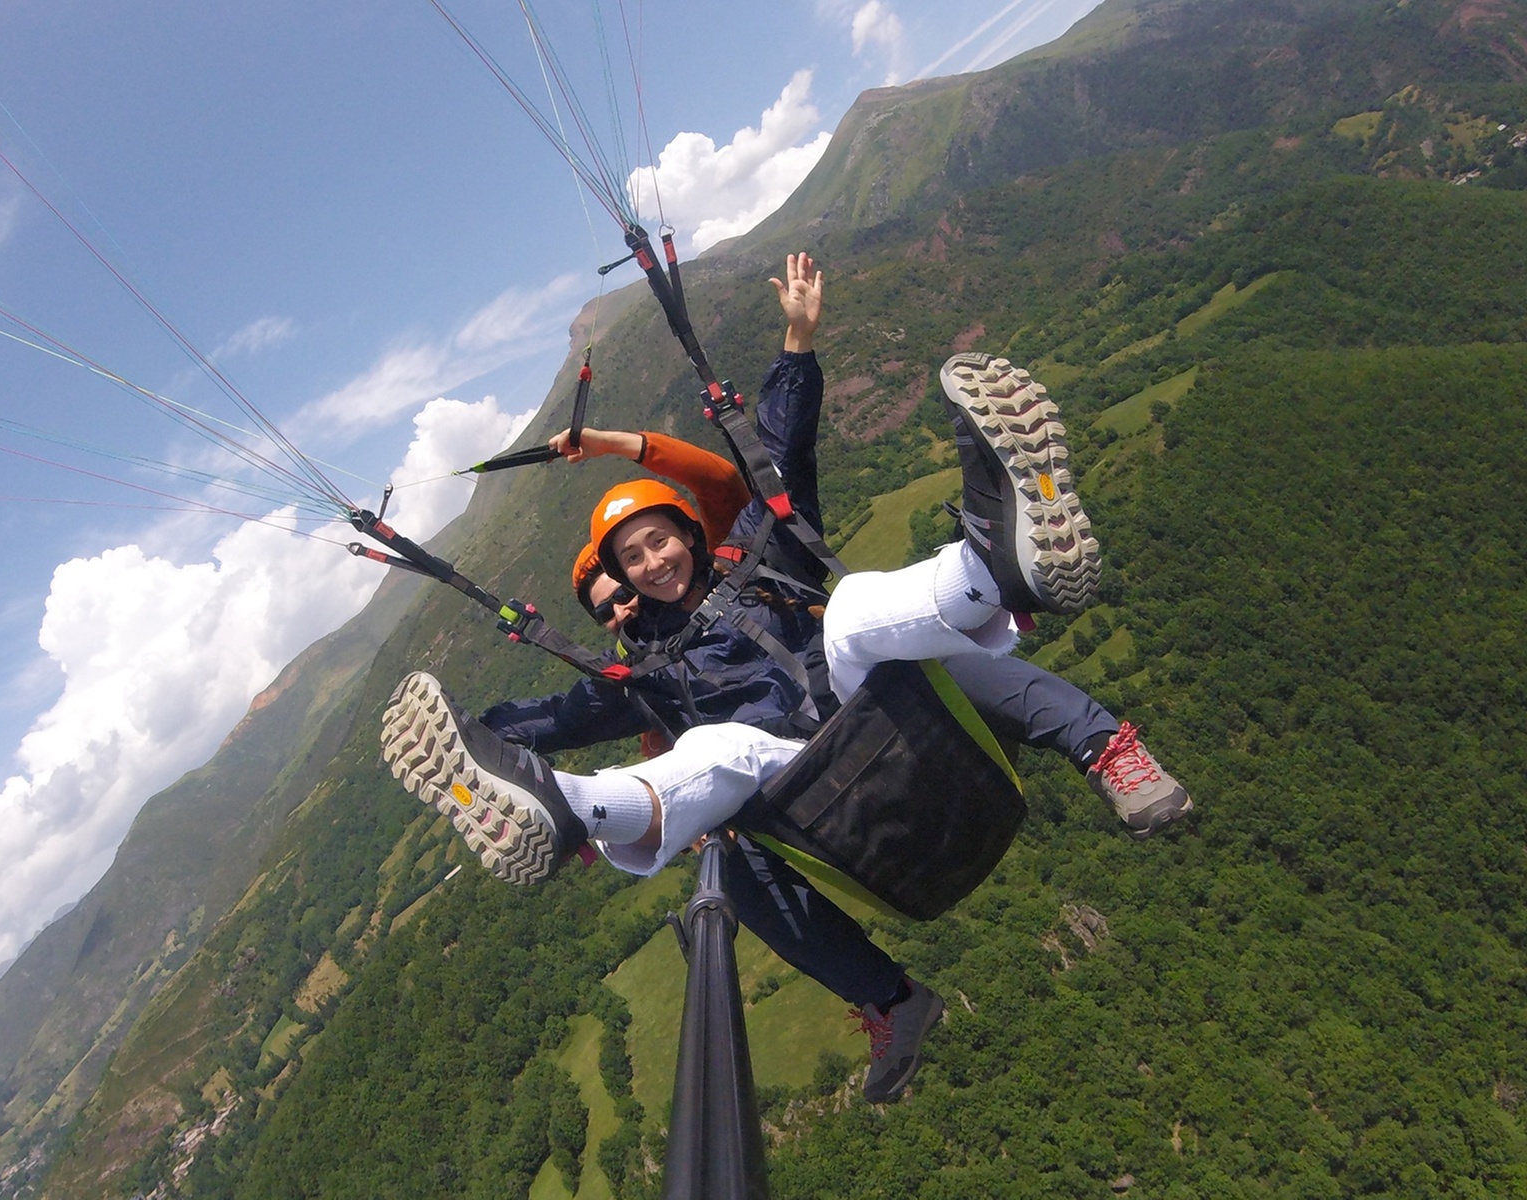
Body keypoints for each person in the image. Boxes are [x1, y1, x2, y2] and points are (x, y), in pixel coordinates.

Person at [382, 252, 1191, 1099]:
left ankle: (1006, 586)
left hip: (870, 705)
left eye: (656, 540)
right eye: (626, 567)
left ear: (688, 537)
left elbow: (776, 449)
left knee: (852, 614)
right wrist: (469, 740)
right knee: (720, 768)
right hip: (796, 781)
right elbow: (549, 719)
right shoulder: (642, 676)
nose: (650, 565)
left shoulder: (759, 556)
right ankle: (573, 813)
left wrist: (796, 345)